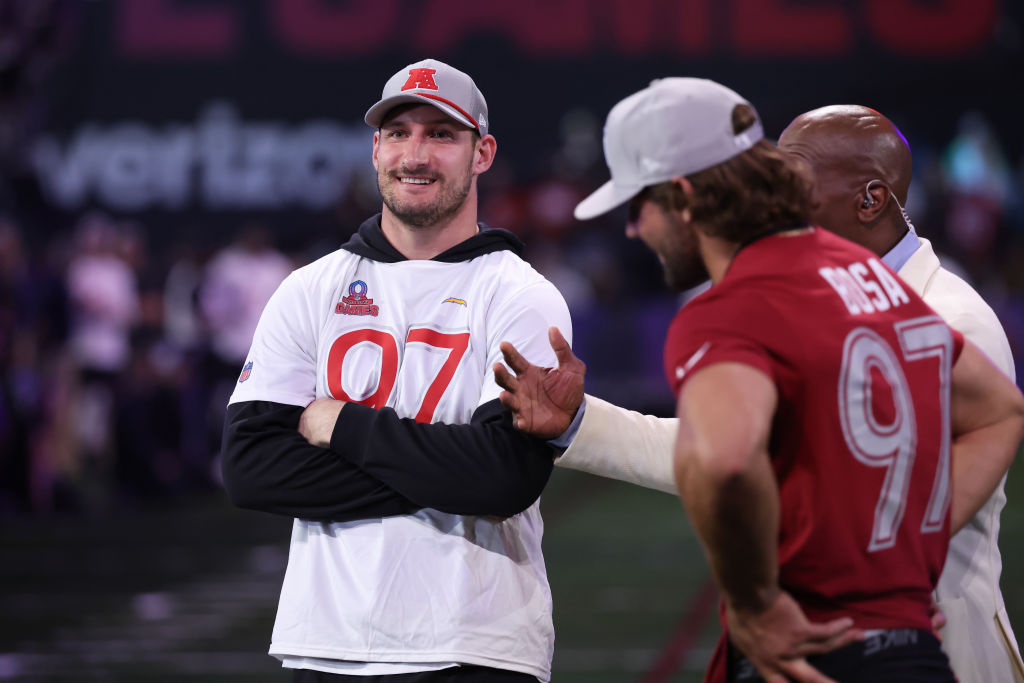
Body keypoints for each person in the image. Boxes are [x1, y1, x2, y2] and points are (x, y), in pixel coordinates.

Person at [493, 77, 1024, 682]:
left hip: (868, 639)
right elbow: (999, 413)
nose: (633, 230)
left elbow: (726, 459)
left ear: (685, 195)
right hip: (901, 641)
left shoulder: (746, 305)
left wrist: (759, 600)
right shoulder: (858, 277)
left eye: (640, 206)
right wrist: (583, 422)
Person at [220, 58, 571, 682]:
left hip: (478, 644)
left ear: (482, 153)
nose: (416, 154)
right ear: (376, 148)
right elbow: (250, 470)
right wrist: (449, 470)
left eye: (441, 135)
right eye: (399, 132)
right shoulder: (307, 290)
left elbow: (503, 481)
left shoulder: (522, 296)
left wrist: (345, 429)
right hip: (327, 641)